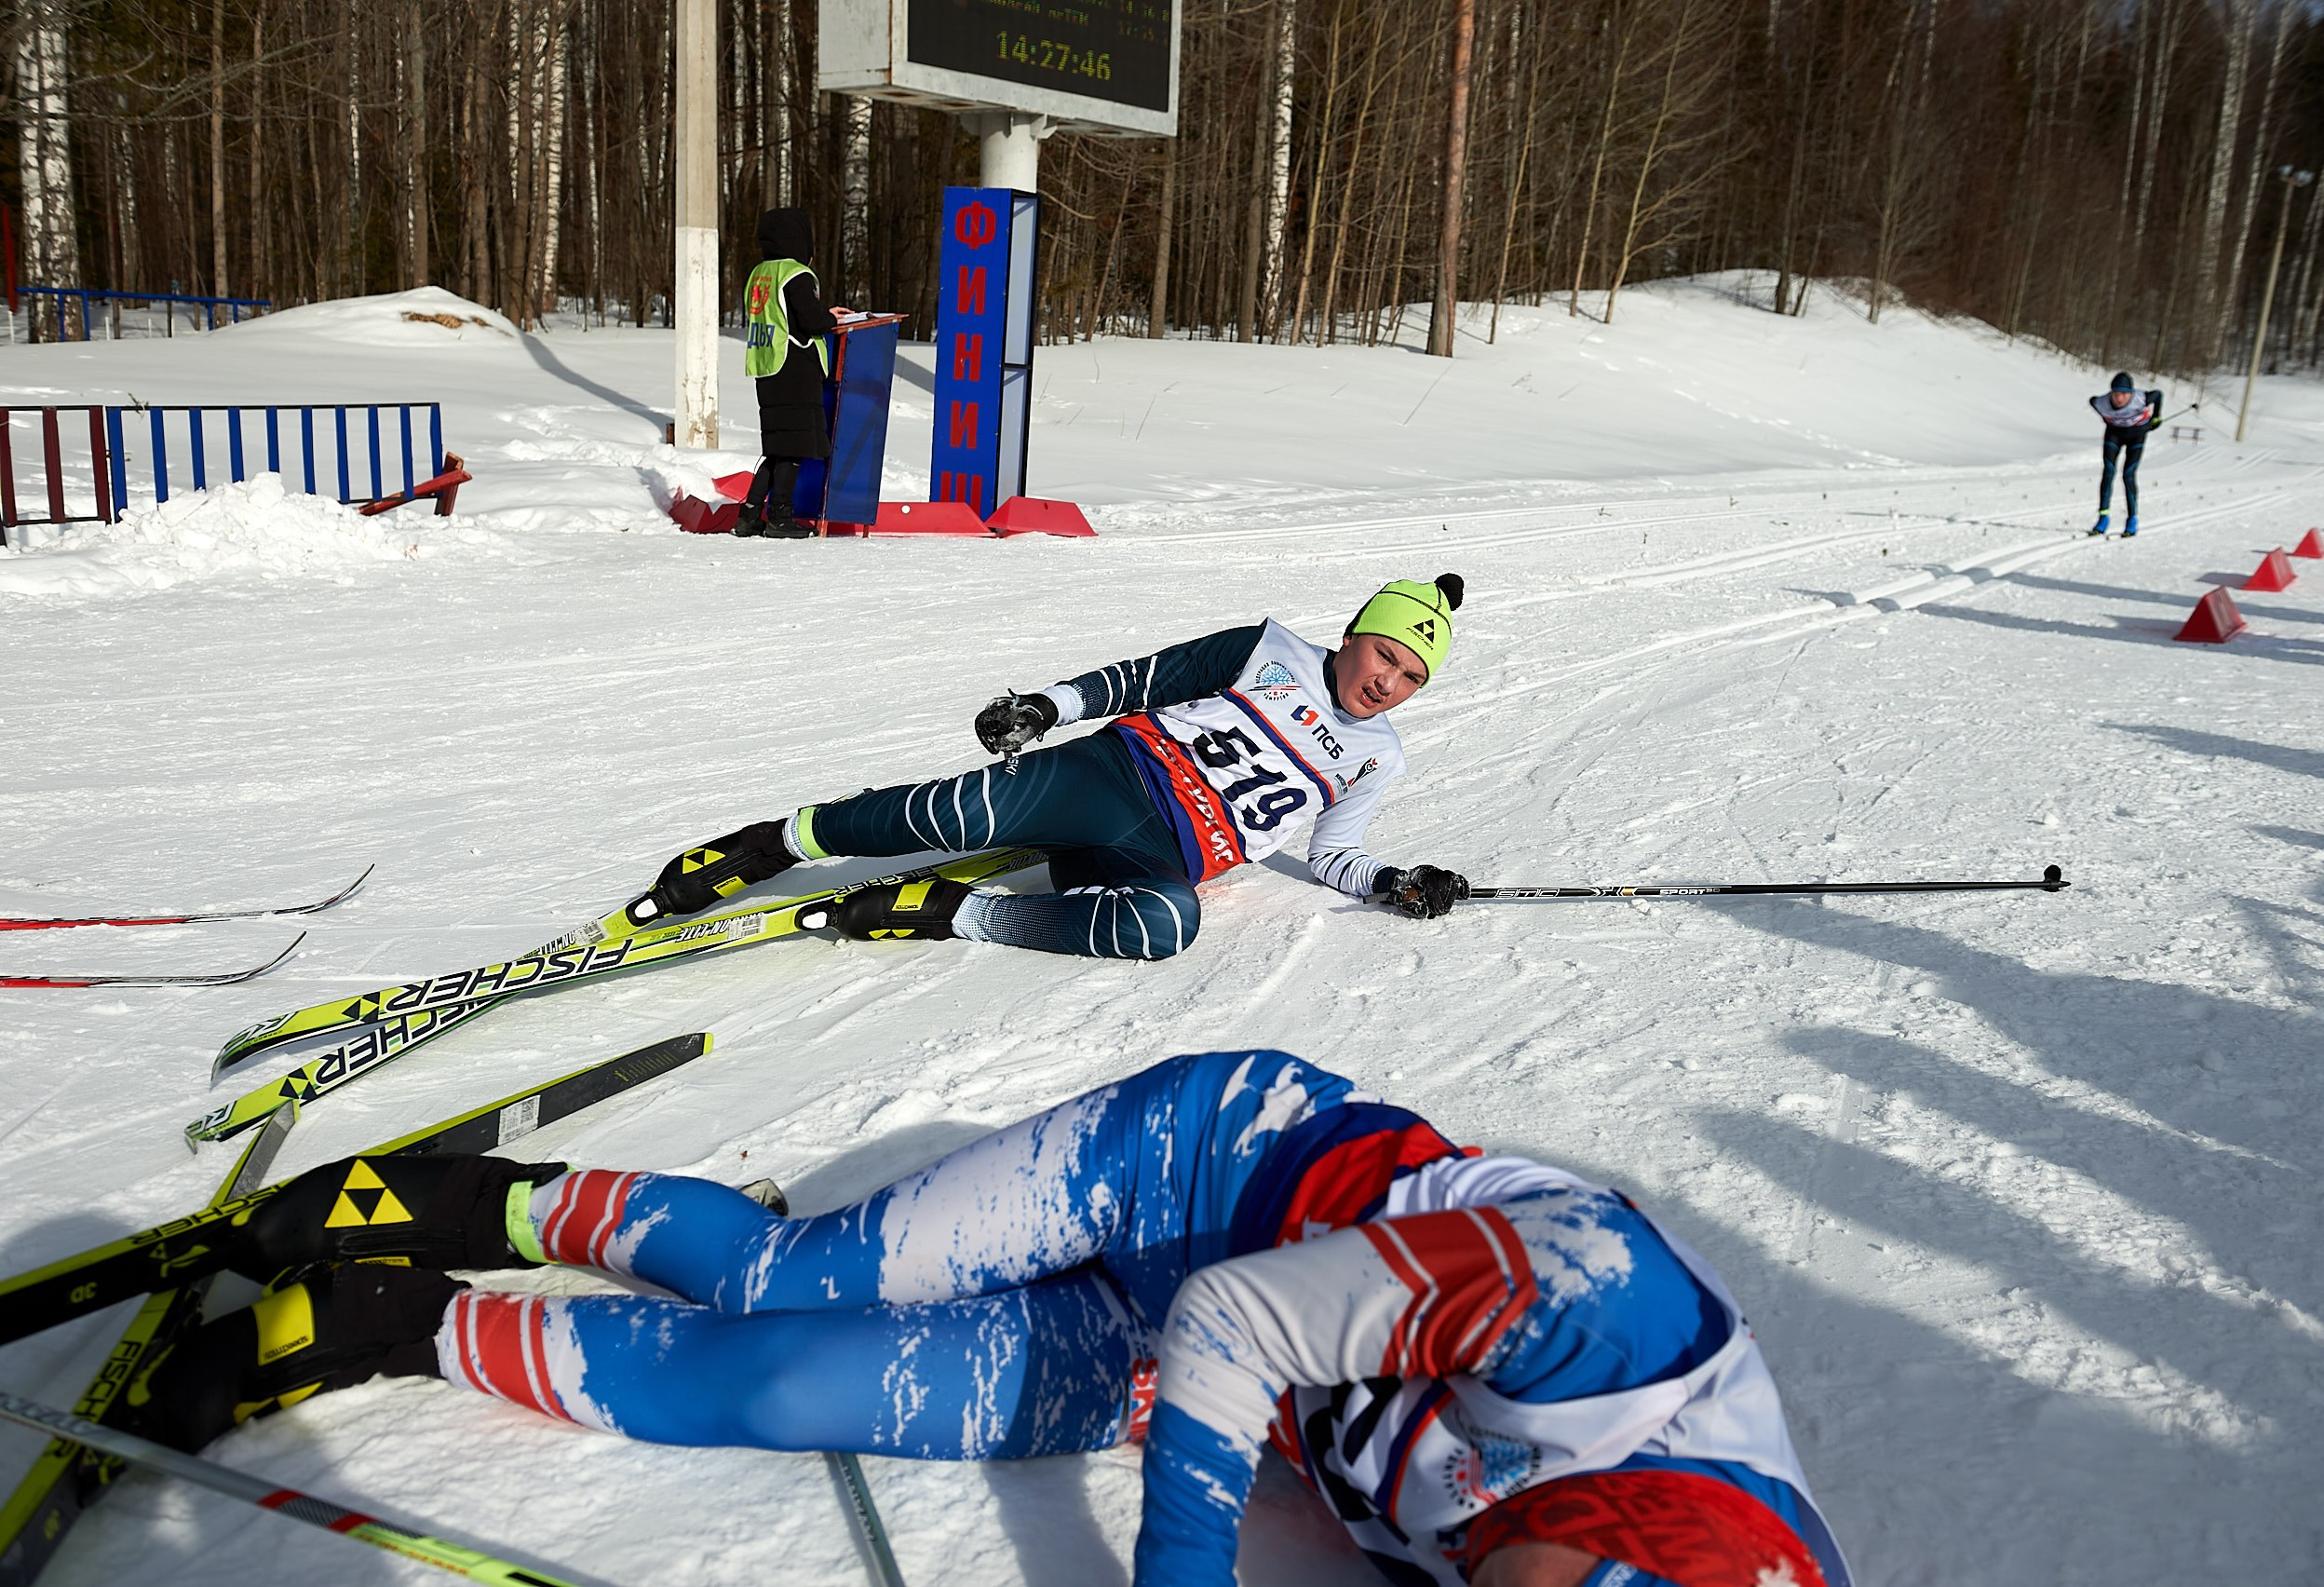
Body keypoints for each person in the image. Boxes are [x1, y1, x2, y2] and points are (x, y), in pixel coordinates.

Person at [133, 1050, 1855, 1587]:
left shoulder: (1649, 1553)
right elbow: (1243, 1319)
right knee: (794, 1275)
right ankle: (482, 1203)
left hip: (1177, 1368)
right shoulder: (1612, 1309)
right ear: (1629, 1531)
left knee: (772, 1387)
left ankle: (387, 1321)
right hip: (1190, 1173)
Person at [618, 576, 1479, 961]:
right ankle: (777, 841)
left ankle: (956, 913)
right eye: (1385, 654)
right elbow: (1142, 678)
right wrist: (1045, 707)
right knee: (953, 816)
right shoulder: (1270, 649)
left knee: (1164, 928)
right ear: (1354, 632)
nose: (1388, 684)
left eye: (1412, 678)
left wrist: (1392, 880)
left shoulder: (1379, 754)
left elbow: (1333, 853)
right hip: (1115, 777)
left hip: (1162, 856)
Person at [736, 207, 840, 539]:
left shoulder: (760, 273)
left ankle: (750, 514)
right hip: (794, 368)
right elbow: (811, 320)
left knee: (778, 446)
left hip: (767, 367)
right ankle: (780, 516)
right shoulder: (796, 274)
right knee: (794, 446)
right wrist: (832, 318)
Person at [2088, 372, 2162, 536]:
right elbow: (2092, 401)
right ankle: (2103, 518)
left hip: (2137, 435)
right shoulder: (2101, 403)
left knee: (2128, 475)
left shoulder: (2142, 398)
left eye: (2124, 394)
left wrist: (2156, 418)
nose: (2119, 398)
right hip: (2114, 434)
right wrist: (2108, 419)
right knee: (2108, 471)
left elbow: (2158, 395)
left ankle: (2132, 520)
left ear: (2131, 393)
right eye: (2116, 393)